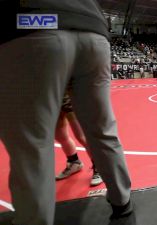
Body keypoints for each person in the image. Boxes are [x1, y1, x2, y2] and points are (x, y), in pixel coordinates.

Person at [0, 1, 132, 225]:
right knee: (102, 127)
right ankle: (122, 200)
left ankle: (34, 220)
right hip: (93, 28)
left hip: (32, 22)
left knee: (33, 142)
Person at [55, 90, 103, 187]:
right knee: (60, 136)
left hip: (69, 96)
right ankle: (74, 162)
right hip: (53, 98)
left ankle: (100, 167)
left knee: (81, 136)